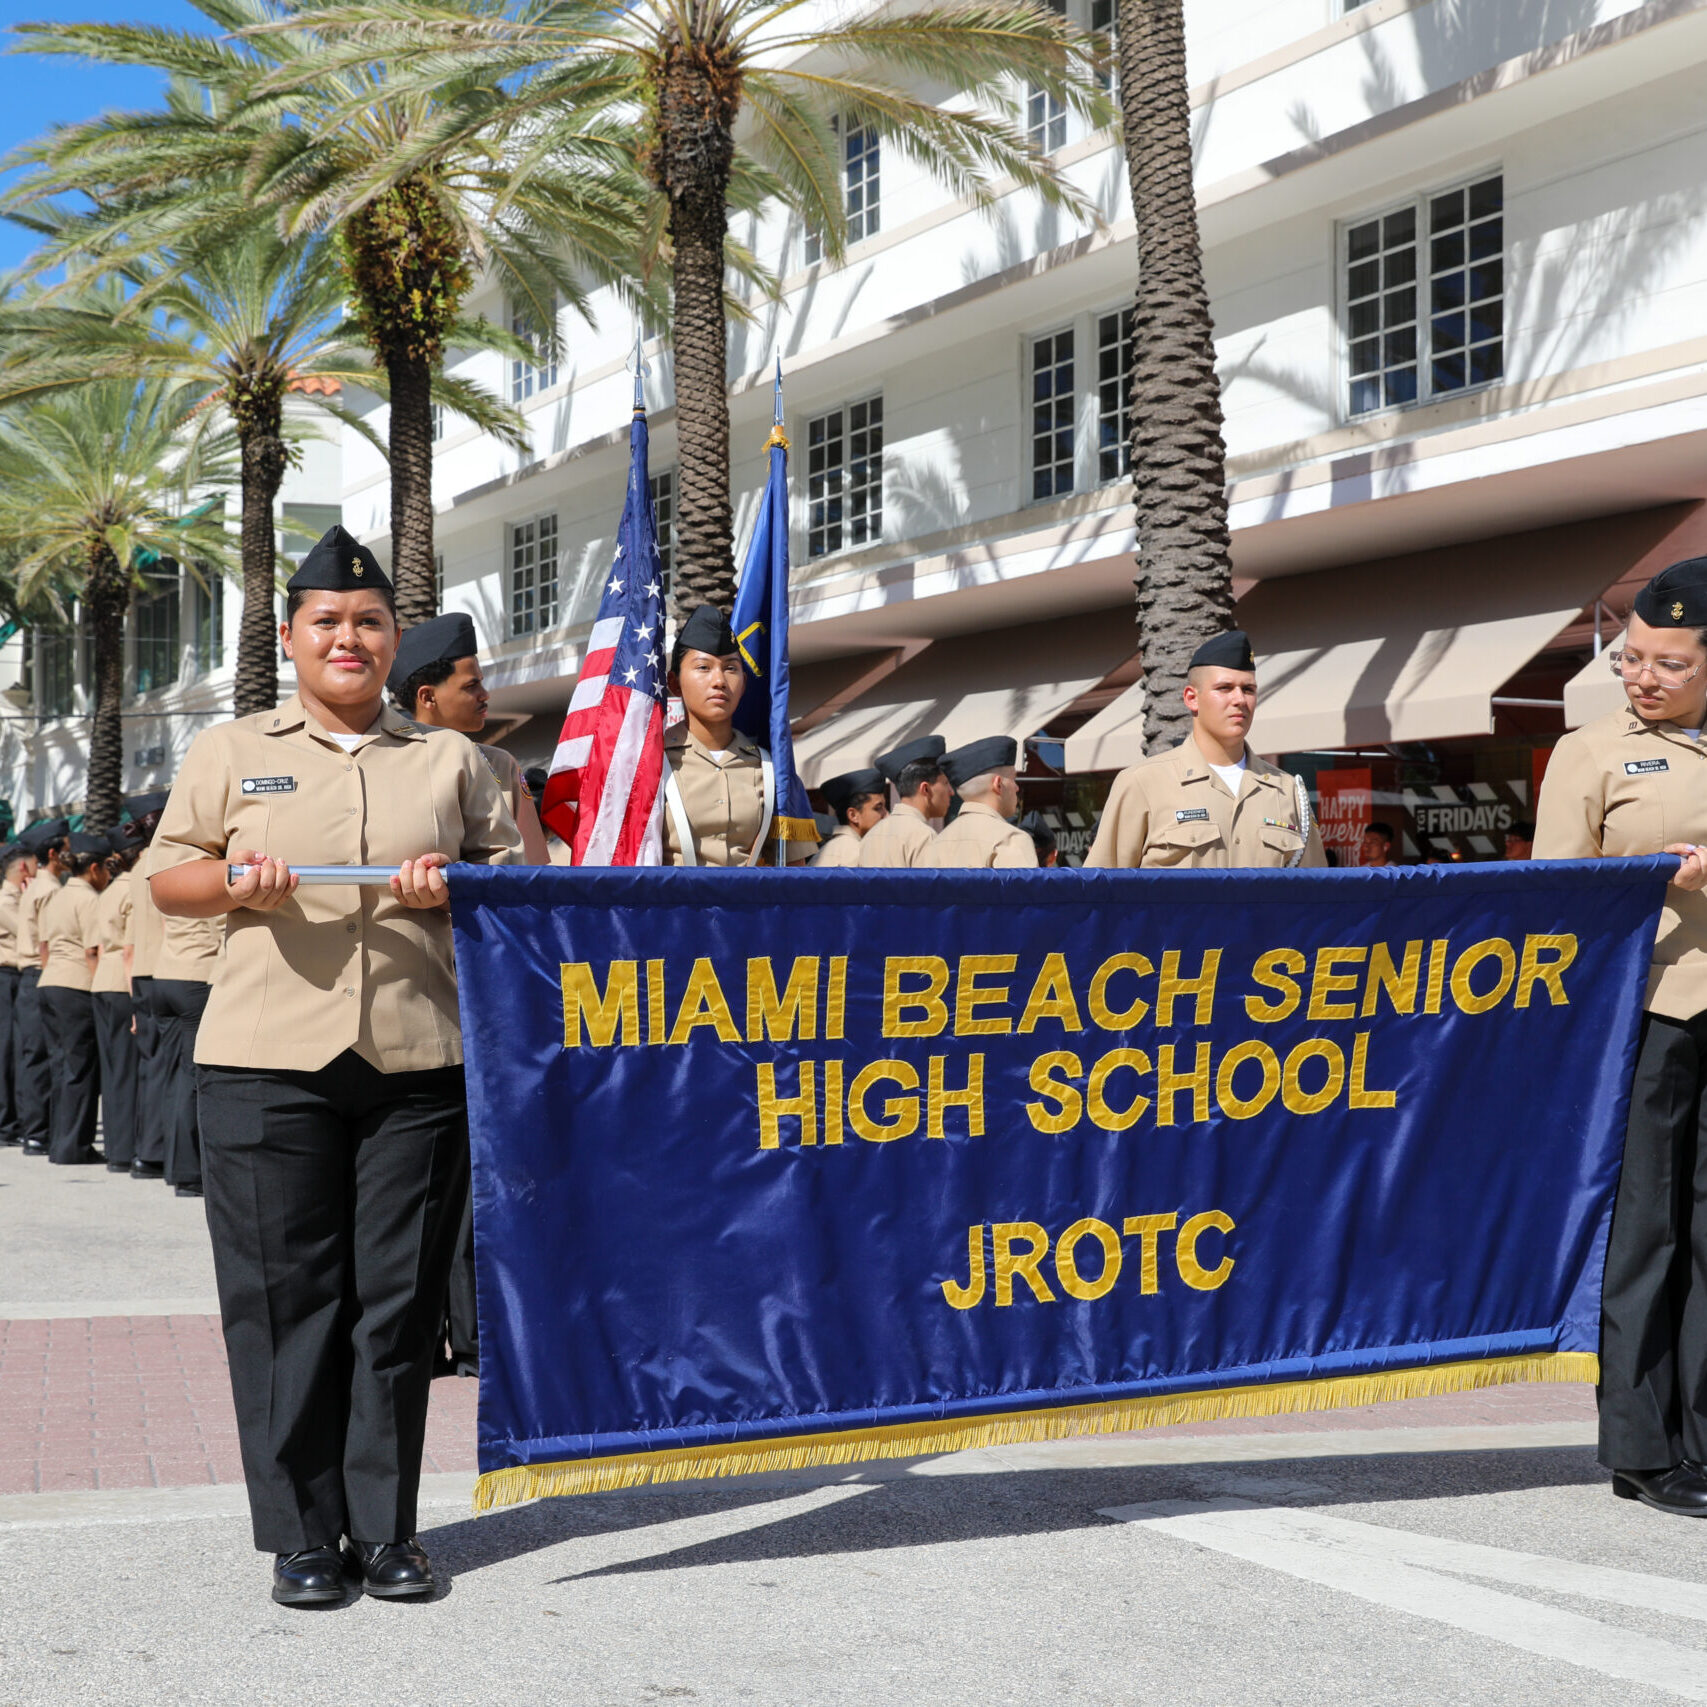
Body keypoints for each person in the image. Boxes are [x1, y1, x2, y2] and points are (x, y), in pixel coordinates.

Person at [148, 524, 523, 1608]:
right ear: (290, 637)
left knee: (399, 1308)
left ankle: (388, 1531)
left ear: (391, 637)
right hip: (267, 1063)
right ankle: (303, 1538)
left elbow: (521, 885)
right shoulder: (230, 750)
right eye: (328, 622)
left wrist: (457, 880)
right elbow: (168, 877)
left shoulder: (452, 760)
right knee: (281, 1300)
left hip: (415, 1062)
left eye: (367, 621)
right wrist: (233, 882)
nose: (348, 637)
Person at [1534, 555, 1707, 1519]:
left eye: (1667, 663)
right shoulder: (1590, 752)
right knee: (1647, 1232)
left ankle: (1702, 1430)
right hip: (1645, 1017)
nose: (1641, 677)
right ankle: (1642, 1448)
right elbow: (1550, 902)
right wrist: (1645, 877)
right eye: (1632, 658)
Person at [1085, 631, 1327, 869]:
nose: (1240, 700)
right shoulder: (1143, 784)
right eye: (1224, 688)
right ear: (1192, 698)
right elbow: (1099, 893)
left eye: (1248, 689)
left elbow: (1316, 895)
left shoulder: (1287, 792)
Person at [387, 610, 550, 864]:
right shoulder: (386, 764)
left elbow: (535, 870)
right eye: (470, 686)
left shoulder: (499, 765)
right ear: (428, 697)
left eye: (481, 684)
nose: (485, 694)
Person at [663, 604, 807, 867]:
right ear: (674, 683)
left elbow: (794, 870)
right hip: (673, 907)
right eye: (703, 668)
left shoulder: (770, 769)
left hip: (749, 907)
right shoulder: (651, 763)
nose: (719, 680)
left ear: (744, 684)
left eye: (730, 668)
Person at [37, 831, 109, 1165]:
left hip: (50, 982)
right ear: (94, 868)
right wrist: (100, 993)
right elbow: (92, 950)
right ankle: (74, 1147)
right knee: (80, 1070)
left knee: (60, 1066)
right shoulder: (89, 899)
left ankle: (58, 1142)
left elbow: (45, 947)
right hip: (77, 985)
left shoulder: (58, 896)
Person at [123, 793, 170, 1182]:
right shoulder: (163, 861)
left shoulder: (138, 867)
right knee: (168, 1069)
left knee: (151, 1066)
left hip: (142, 970)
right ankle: (156, 1152)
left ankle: (145, 1149)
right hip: (166, 968)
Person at [14, 819, 68, 1156]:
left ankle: (31, 1128)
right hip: (40, 972)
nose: (70, 855)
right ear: (52, 853)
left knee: (30, 1055)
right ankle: (38, 1131)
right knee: (43, 1056)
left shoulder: (35, 887)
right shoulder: (49, 890)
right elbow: (48, 942)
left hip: (28, 977)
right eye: (66, 850)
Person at [91, 828, 142, 1174]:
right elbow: (130, 951)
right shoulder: (134, 890)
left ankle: (113, 1146)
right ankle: (123, 1151)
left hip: (101, 981)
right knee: (126, 1070)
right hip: (123, 983)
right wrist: (137, 999)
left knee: (112, 1071)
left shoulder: (107, 891)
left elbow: (93, 948)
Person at [920, 738, 1038, 869]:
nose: (1017, 787)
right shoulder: (1010, 839)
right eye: (1013, 779)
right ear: (998, 784)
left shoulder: (935, 845)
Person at [857, 738, 951, 868]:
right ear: (925, 789)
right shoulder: (923, 836)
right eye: (946, 783)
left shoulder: (870, 836)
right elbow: (930, 887)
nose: (951, 792)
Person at [0, 843, 30, 1147]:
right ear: (22, 867)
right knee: (6, 1049)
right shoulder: (6, 900)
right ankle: (6, 1123)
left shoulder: (17, 897)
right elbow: (28, 930)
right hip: (6, 976)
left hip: (14, 976)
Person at [810, 768, 888, 867]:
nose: (886, 814)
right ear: (853, 815)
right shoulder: (860, 853)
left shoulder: (826, 851)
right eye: (878, 808)